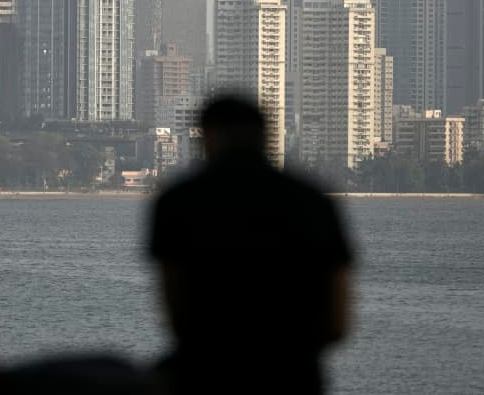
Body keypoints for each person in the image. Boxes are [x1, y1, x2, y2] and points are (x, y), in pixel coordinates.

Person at [147, 96, 354, 394]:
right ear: (266, 136)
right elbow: (338, 321)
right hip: (295, 375)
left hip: (206, 372)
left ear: (205, 138)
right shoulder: (312, 202)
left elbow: (175, 310)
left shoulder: (178, 202)